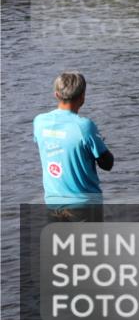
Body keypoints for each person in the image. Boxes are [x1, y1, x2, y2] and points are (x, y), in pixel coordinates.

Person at [33, 72, 114, 221]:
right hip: (84, 206)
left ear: (56, 94)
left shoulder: (39, 122)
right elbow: (107, 164)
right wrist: (98, 143)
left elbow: (56, 147)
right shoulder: (85, 126)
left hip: (53, 204)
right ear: (82, 96)